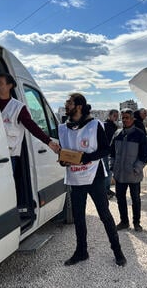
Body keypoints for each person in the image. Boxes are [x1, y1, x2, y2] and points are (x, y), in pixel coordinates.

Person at [52, 93, 126, 267]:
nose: (66, 105)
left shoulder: (94, 125)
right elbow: (64, 153)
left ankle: (117, 250)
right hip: (75, 178)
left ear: (78, 106)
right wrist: (63, 160)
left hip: (94, 176)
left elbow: (105, 150)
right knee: (78, 217)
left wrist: (85, 158)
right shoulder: (62, 128)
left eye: (69, 103)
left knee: (105, 215)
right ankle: (81, 251)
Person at [0, 73, 57, 171]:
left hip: (8, 156)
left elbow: (31, 126)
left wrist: (48, 141)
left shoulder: (18, 107)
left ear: (9, 86)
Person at [110, 108, 147, 232]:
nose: (125, 120)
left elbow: (145, 154)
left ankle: (136, 222)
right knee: (120, 198)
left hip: (133, 174)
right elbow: (112, 153)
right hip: (120, 174)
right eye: (123, 118)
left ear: (132, 119)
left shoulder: (139, 134)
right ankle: (124, 221)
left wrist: (137, 168)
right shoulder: (117, 134)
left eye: (127, 117)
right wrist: (113, 166)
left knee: (135, 199)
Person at [103, 109, 119, 199]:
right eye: (114, 115)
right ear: (110, 116)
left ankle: (107, 190)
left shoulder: (114, 126)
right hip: (106, 152)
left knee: (109, 172)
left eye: (117, 115)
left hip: (112, 152)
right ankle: (106, 191)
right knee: (108, 172)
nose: (116, 117)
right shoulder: (105, 125)